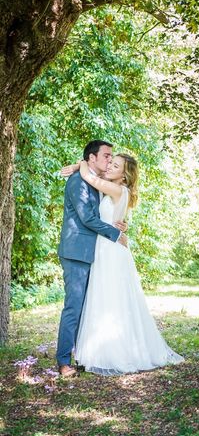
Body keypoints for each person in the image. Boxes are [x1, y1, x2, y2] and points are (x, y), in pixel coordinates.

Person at [64, 152, 184, 375]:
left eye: (115, 166)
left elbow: (90, 178)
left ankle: (116, 351)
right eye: (110, 162)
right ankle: (104, 348)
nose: (109, 166)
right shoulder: (115, 189)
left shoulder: (116, 189)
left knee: (111, 297)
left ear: (124, 177)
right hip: (108, 246)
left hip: (110, 249)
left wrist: (80, 163)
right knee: (107, 297)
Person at [56, 140, 129, 378]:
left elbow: (104, 211)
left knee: (87, 308)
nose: (109, 160)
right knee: (74, 308)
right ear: (92, 158)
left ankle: (84, 355)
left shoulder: (97, 183)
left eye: (111, 158)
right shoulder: (78, 182)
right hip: (76, 252)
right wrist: (115, 233)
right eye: (106, 156)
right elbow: (87, 218)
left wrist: (119, 224)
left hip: (93, 253)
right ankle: (63, 361)